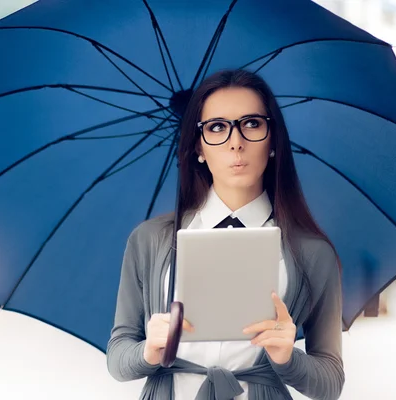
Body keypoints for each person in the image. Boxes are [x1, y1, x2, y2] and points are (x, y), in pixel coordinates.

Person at [106, 69, 344, 400]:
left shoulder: (313, 252)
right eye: (217, 127)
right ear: (198, 147)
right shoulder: (150, 239)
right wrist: (149, 350)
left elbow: (330, 383)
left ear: (273, 140)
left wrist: (289, 357)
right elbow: (117, 360)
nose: (236, 142)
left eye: (252, 124)